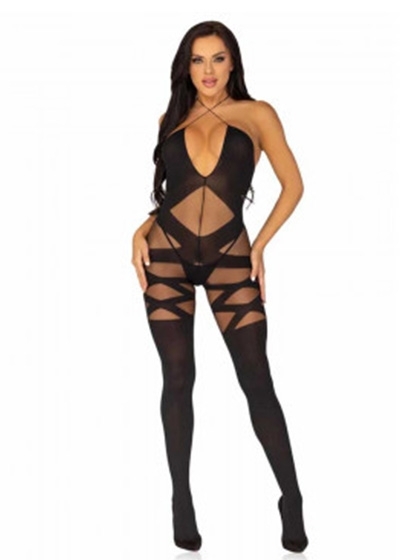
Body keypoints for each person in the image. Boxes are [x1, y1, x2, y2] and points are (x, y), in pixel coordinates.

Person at [131, 20, 309, 553]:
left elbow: (294, 185)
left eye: (217, 58)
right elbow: (176, 195)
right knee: (177, 377)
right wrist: (141, 228)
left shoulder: (257, 115)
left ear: (233, 62)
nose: (207, 70)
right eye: (197, 60)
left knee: (257, 379)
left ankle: (292, 497)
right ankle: (181, 500)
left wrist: (261, 245)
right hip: (165, 257)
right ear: (186, 67)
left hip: (231, 257)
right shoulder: (170, 118)